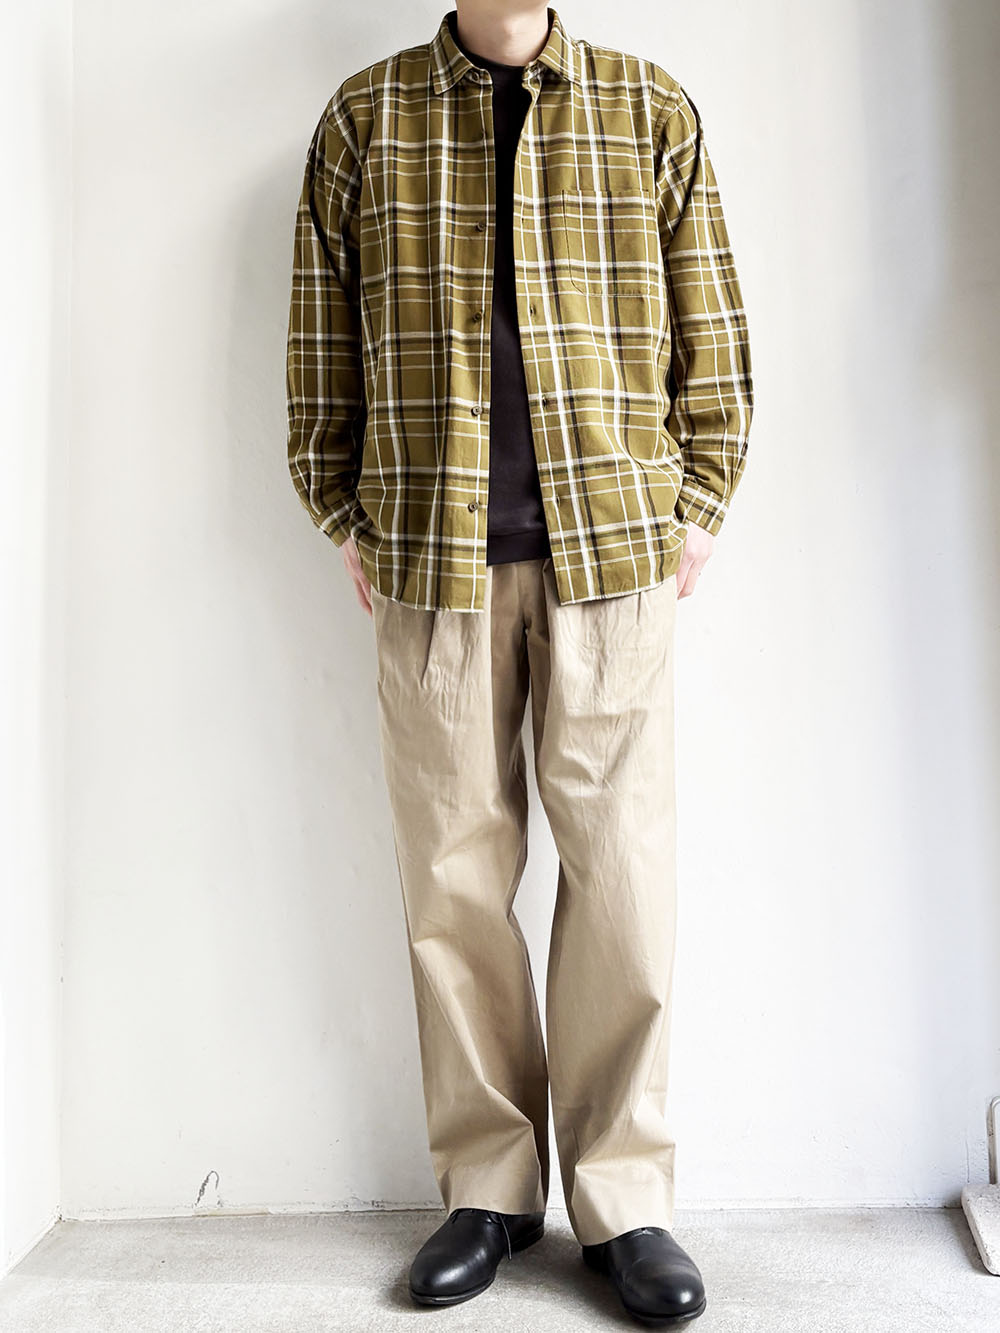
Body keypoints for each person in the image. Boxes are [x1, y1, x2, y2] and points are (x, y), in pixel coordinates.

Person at [285, 4, 752, 1324]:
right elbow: (320, 343)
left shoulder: (649, 108)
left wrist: (697, 506)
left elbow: (712, 332)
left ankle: (625, 1199)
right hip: (431, 563)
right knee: (452, 875)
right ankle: (488, 1187)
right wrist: (345, 513)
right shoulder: (364, 118)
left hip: (614, 557)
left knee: (622, 873)